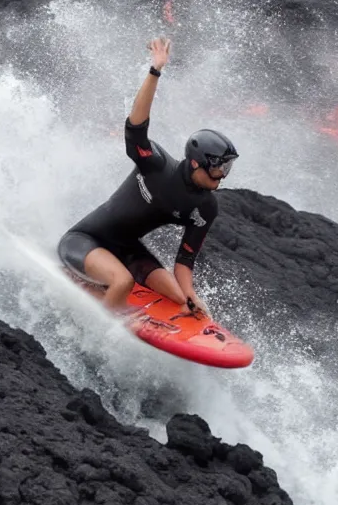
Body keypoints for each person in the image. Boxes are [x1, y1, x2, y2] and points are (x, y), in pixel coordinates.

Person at [57, 37, 239, 318]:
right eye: (218, 168)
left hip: (127, 250)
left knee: (179, 298)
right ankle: (100, 326)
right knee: (122, 282)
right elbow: (135, 127)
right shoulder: (156, 165)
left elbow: (184, 263)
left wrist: (191, 298)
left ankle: (105, 290)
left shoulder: (206, 207)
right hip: (86, 241)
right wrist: (155, 71)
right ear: (196, 163)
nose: (222, 176)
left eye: (227, 169)